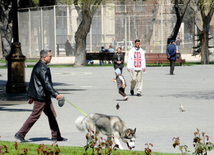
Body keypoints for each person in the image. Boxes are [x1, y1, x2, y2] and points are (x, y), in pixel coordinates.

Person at [14, 49, 67, 142]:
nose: (51, 57)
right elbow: (46, 84)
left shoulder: (39, 65)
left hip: (43, 96)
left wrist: (32, 96)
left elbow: (33, 82)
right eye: (50, 56)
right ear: (45, 57)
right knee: (35, 115)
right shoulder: (42, 67)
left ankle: (56, 136)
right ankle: (20, 134)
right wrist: (56, 95)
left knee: (51, 115)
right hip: (41, 97)